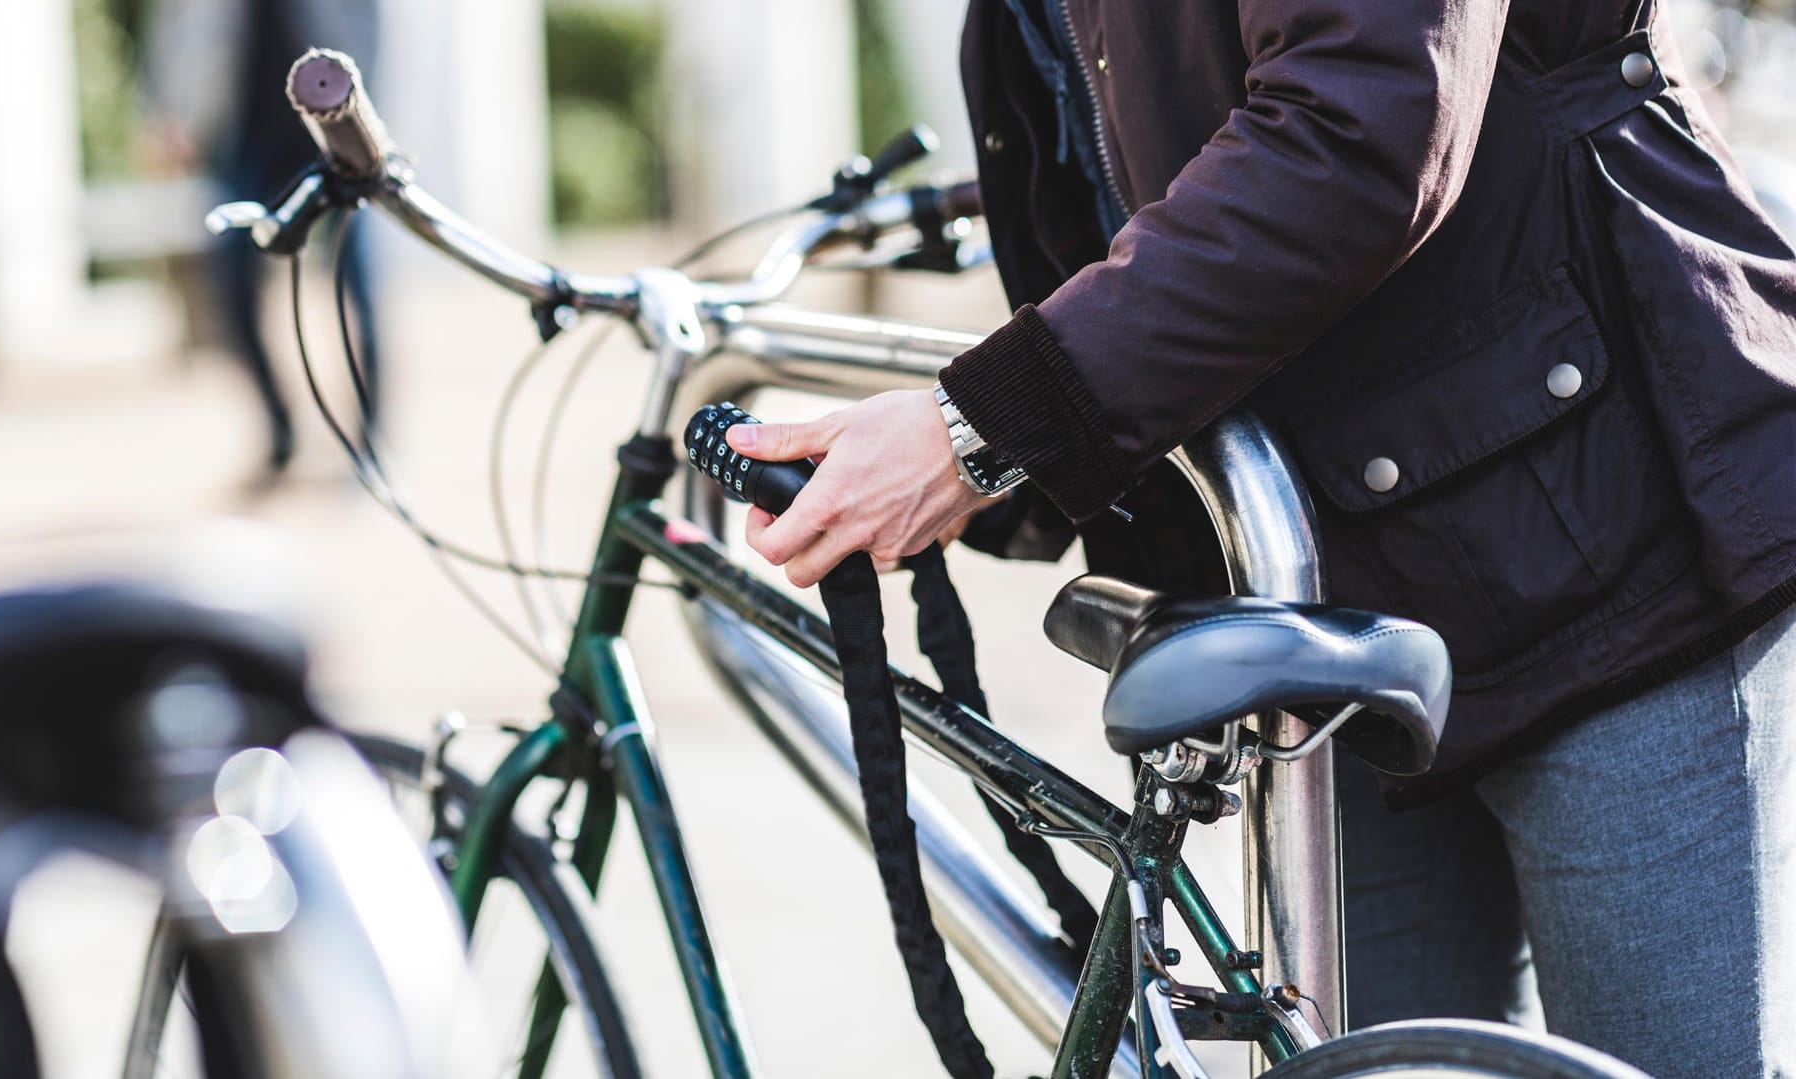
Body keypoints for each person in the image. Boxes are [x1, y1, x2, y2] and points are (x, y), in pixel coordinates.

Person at [727, 1, 1796, 1075]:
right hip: (1333, 588)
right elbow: (1116, 168)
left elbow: (1360, 124)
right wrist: (988, 468)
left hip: (1612, 535)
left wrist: (980, 431)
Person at [144, 0, 385, 480]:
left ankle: (370, 443)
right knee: (230, 279)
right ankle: (280, 426)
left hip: (337, 127)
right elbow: (177, 22)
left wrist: (371, 116)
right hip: (244, 130)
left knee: (355, 282)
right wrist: (170, 111)